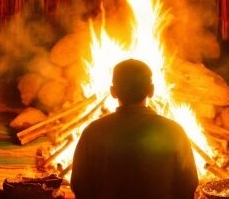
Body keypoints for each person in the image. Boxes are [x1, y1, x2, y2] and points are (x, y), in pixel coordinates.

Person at [71, 59, 199, 199]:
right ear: (151, 90)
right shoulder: (174, 131)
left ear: (113, 92)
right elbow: (188, 185)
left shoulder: (93, 132)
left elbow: (79, 185)